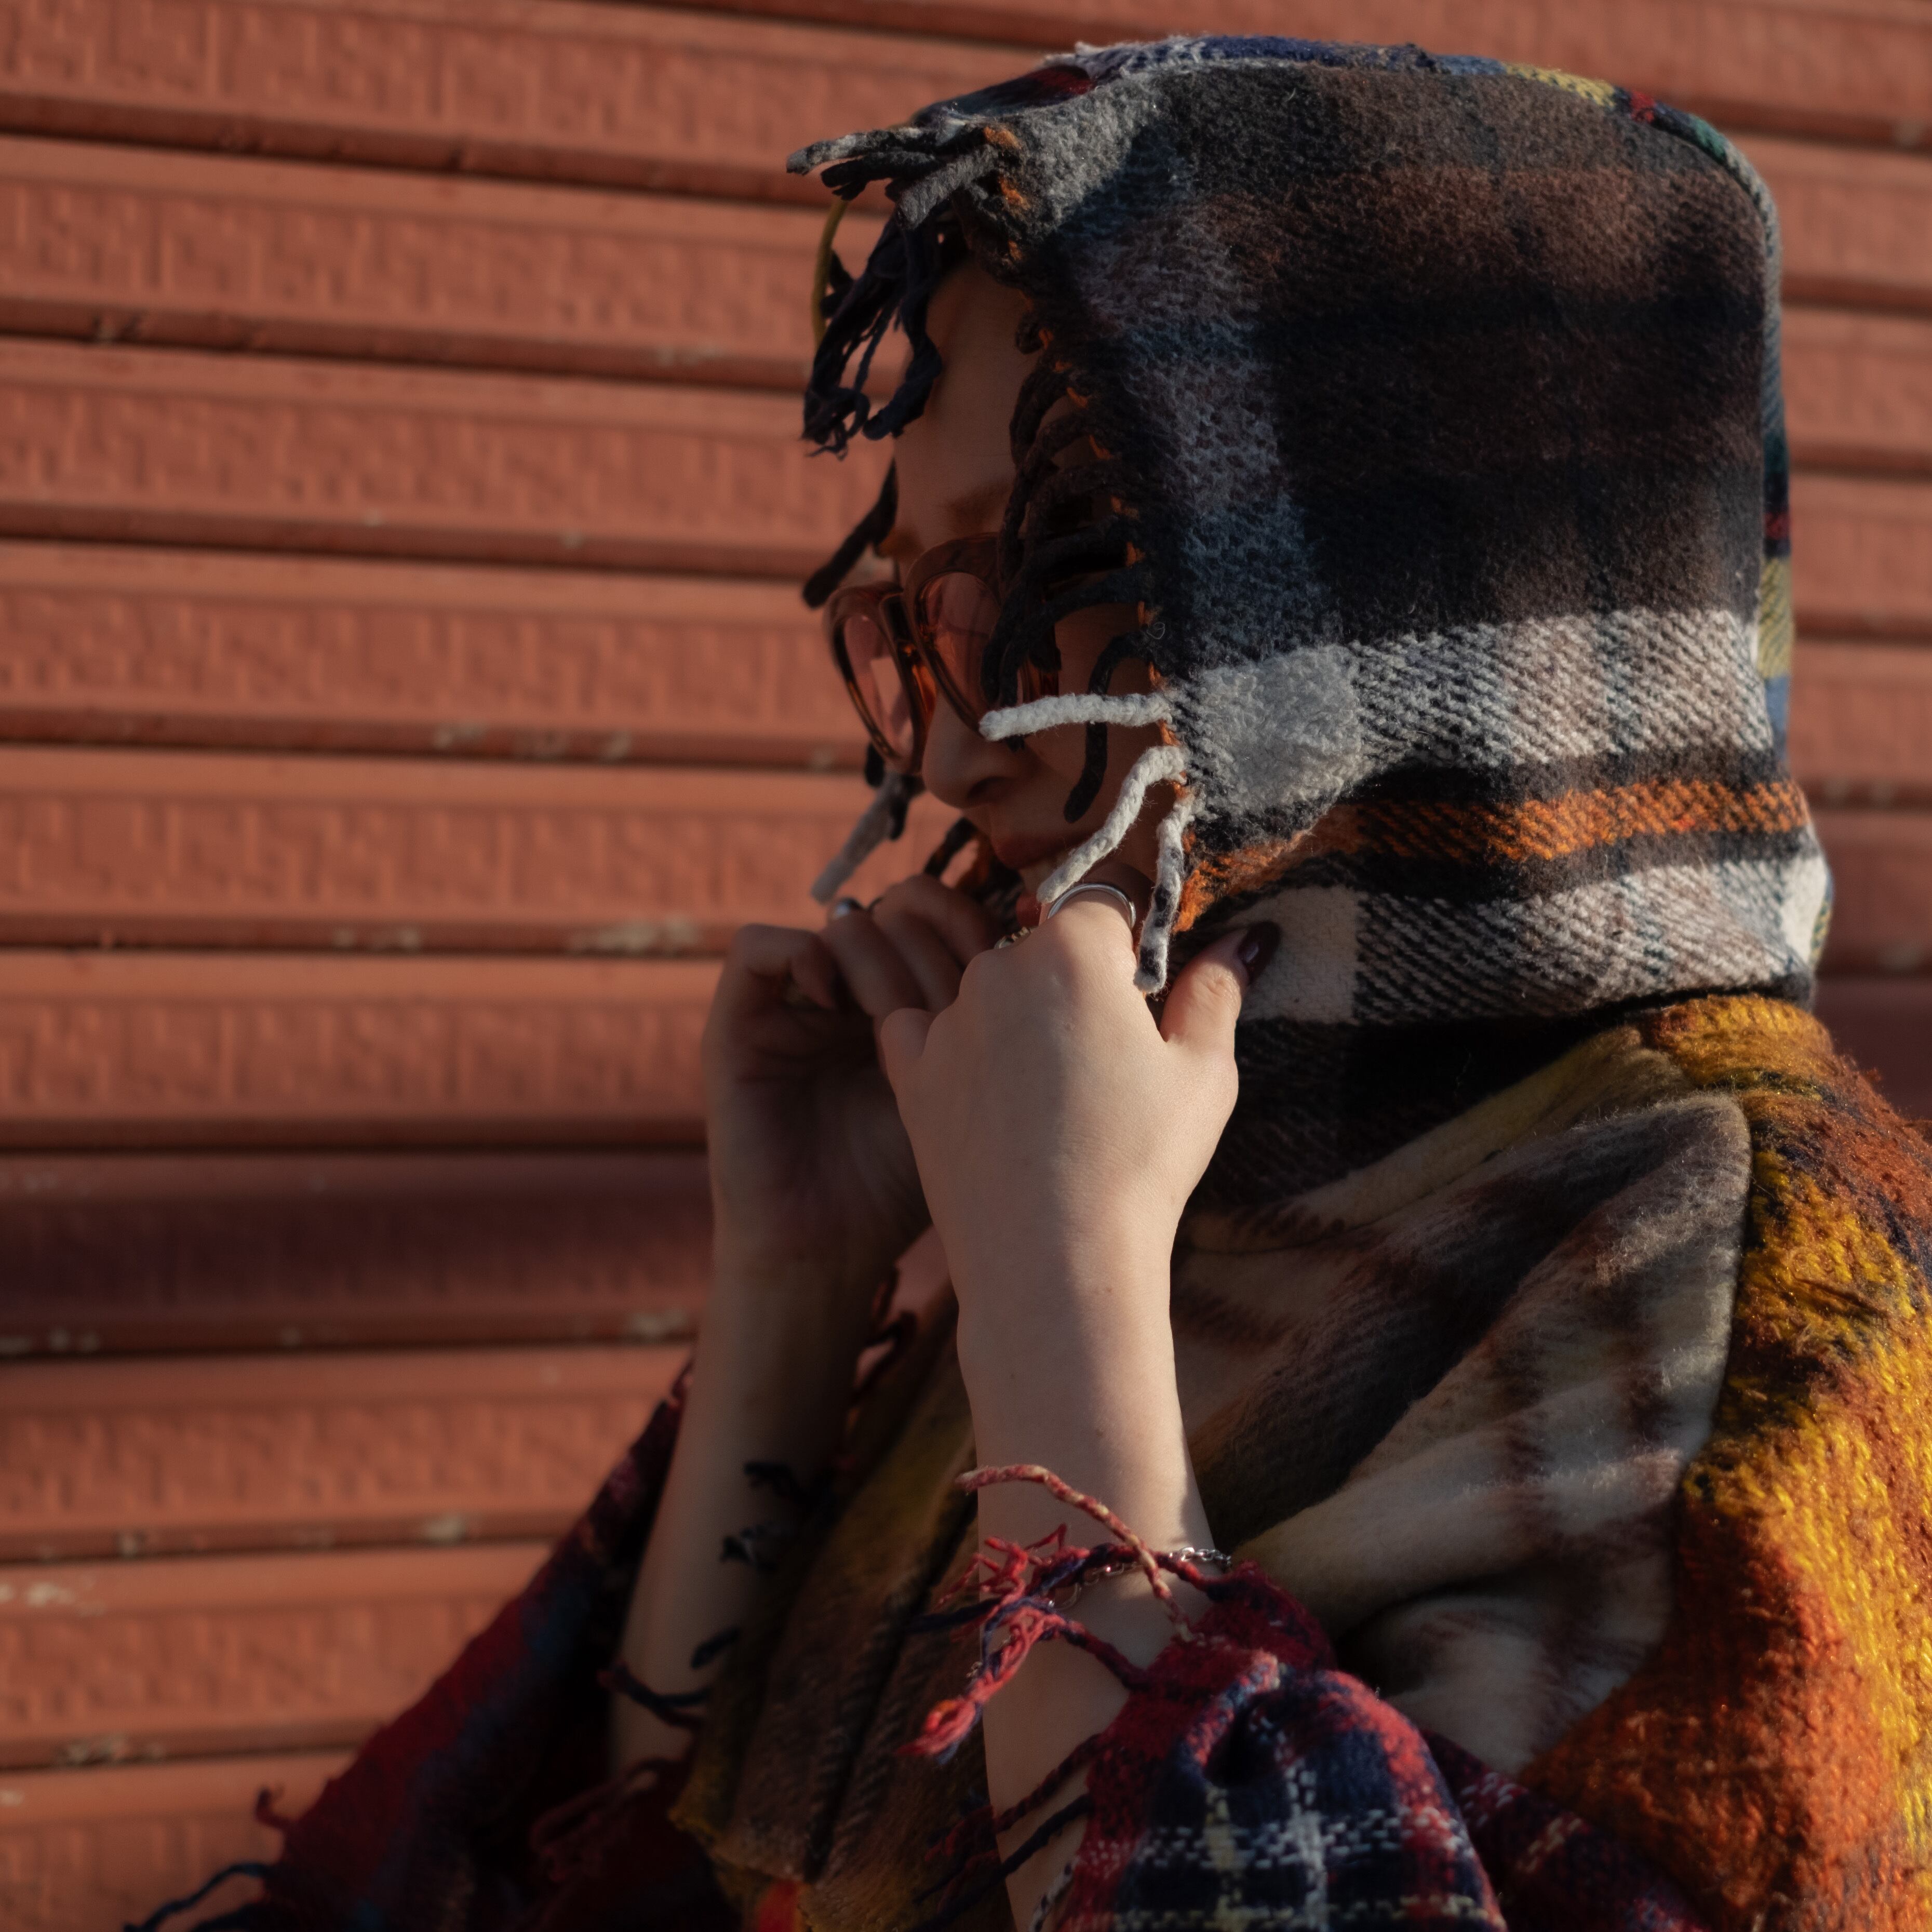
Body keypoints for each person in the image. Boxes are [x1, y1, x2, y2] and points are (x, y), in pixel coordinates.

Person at [145, 36, 1932, 1932]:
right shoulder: (1136, 1160)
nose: (946, 752)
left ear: (1418, 604)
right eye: (915, 616)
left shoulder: (1754, 1278)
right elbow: (624, 1891)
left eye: (1058, 569)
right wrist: (795, 1294)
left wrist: (1065, 1307)